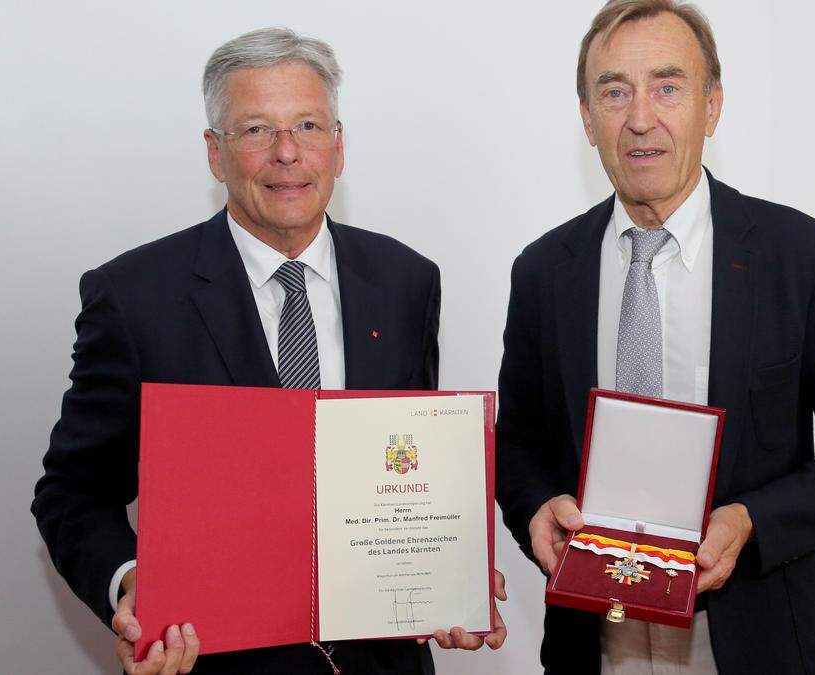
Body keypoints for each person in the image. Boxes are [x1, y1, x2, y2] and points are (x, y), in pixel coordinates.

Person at [33, 27, 505, 675]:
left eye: (308, 125)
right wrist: (131, 582)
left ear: (338, 147)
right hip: (212, 661)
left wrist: (446, 574)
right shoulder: (134, 296)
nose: (288, 152)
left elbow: (411, 461)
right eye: (255, 129)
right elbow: (72, 491)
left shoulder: (406, 280)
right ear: (215, 152)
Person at [494, 2, 815, 673]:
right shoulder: (544, 271)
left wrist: (750, 520)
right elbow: (518, 444)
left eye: (667, 87)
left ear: (711, 107)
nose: (639, 118)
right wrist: (536, 506)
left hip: (756, 638)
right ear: (587, 118)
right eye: (614, 91)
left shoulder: (794, 254)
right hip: (594, 642)